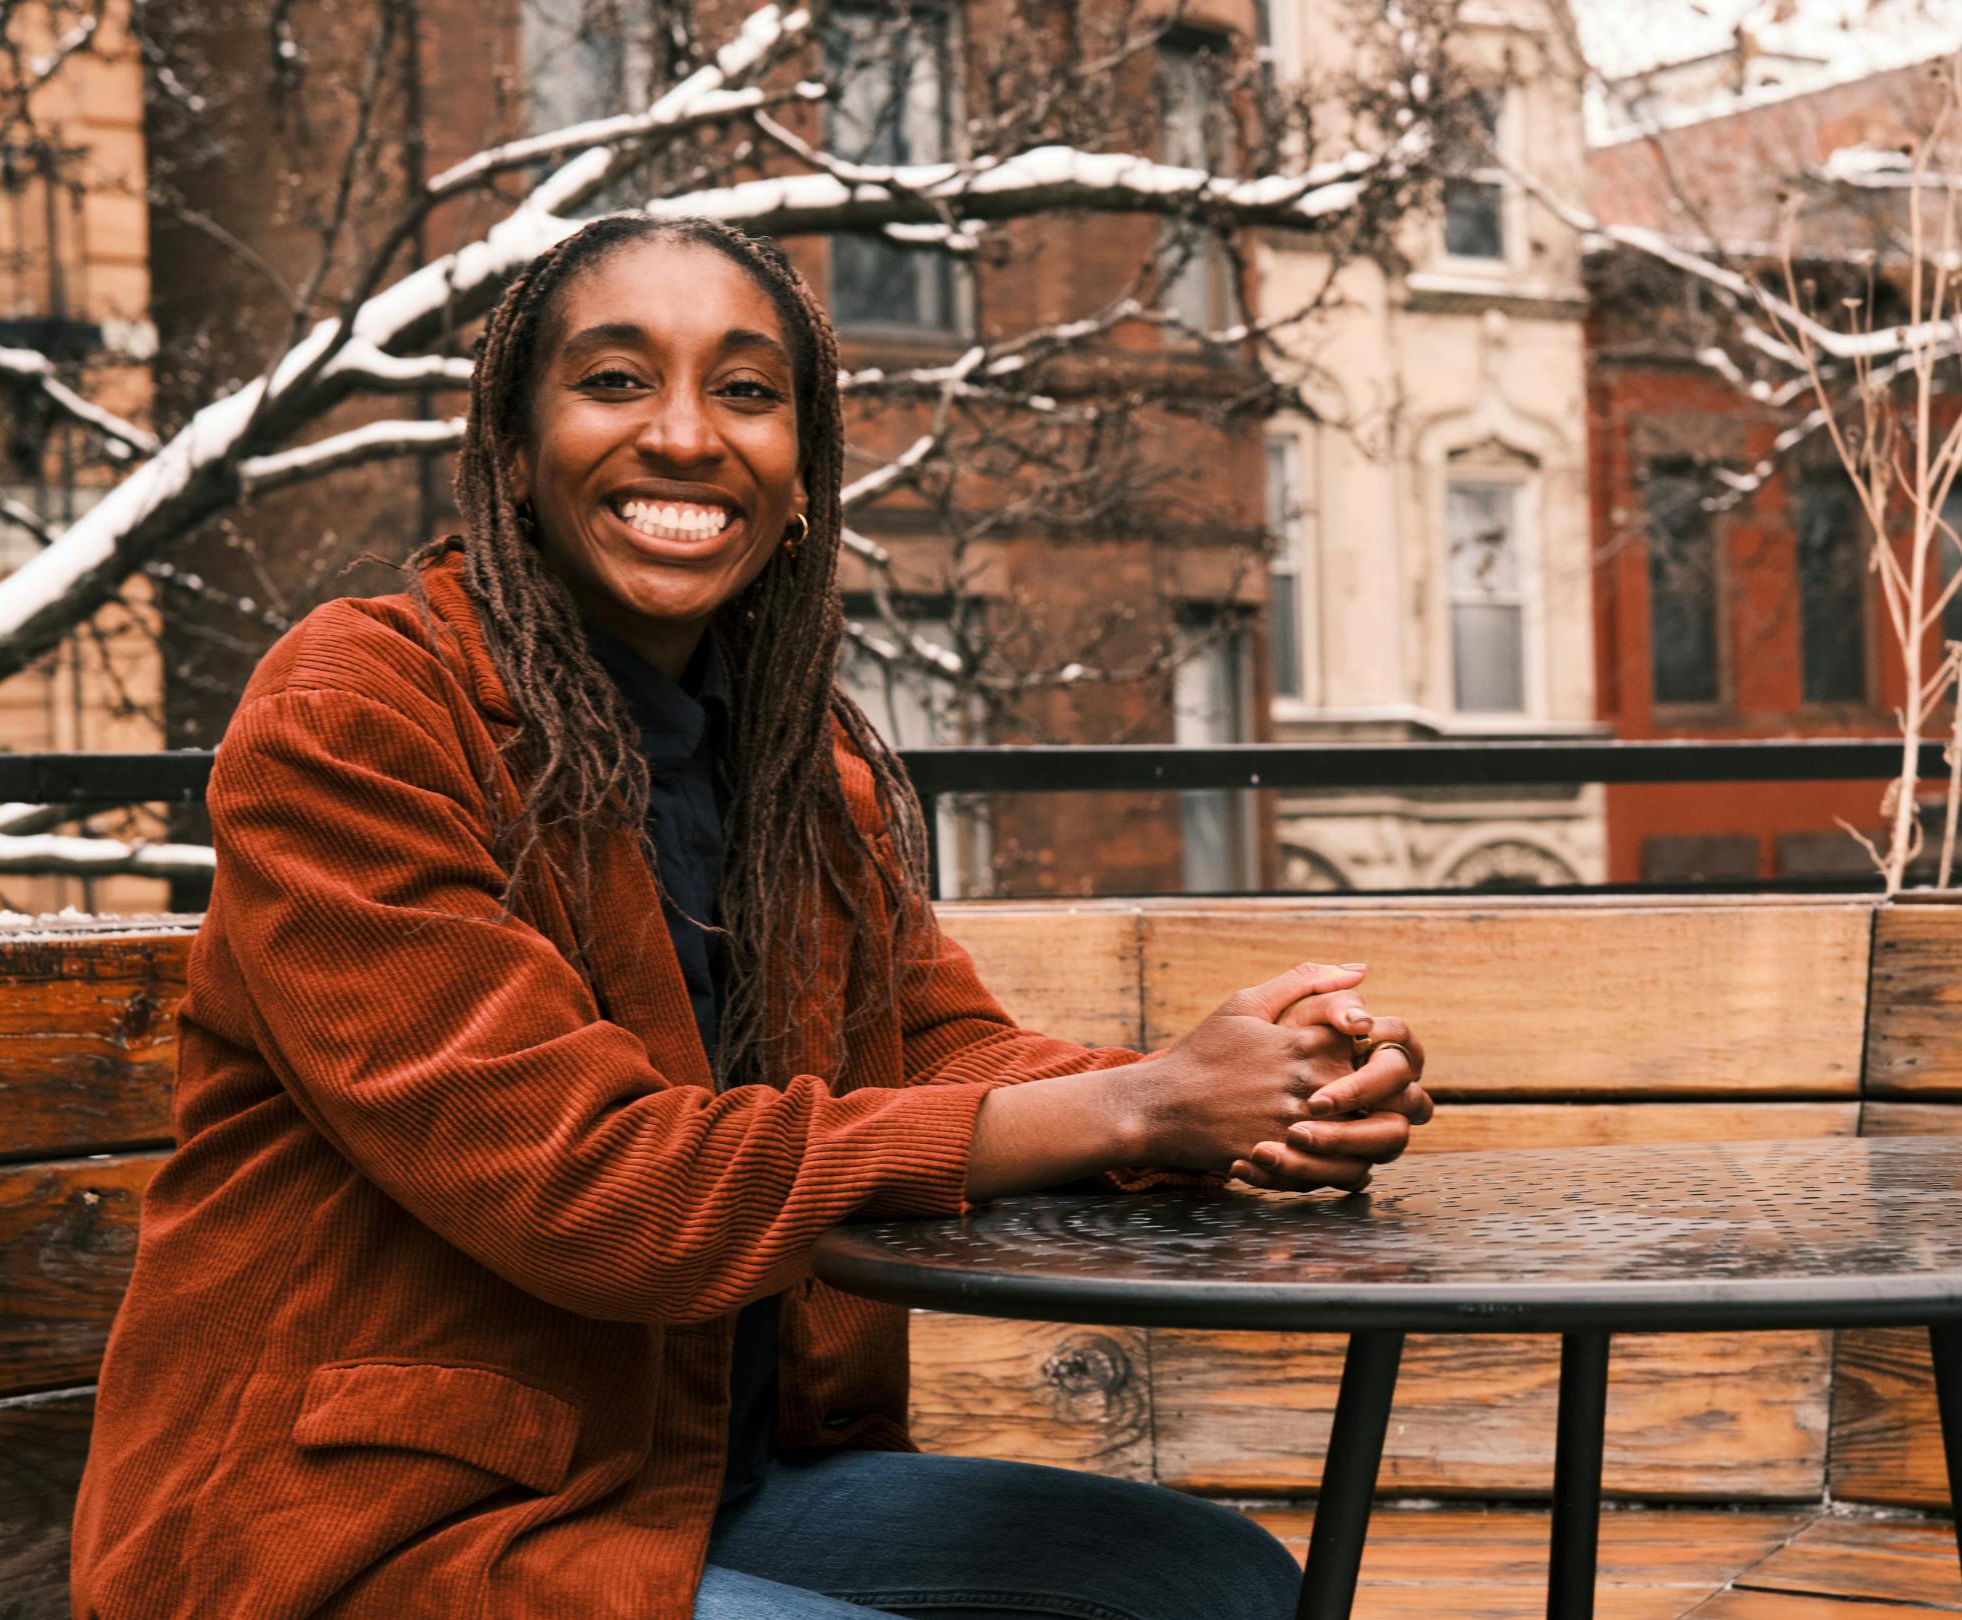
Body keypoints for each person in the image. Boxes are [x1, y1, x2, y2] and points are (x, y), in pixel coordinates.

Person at [70, 213, 1433, 1620]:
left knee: (1210, 1585)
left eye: (745, 390)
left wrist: (1253, 1088)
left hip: (699, 1485)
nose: (683, 436)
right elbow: (583, 1180)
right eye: (612, 380)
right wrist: (1142, 1110)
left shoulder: (797, 773)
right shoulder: (361, 715)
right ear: (511, 453)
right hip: (379, 1525)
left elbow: (942, 1056)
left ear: (802, 476)